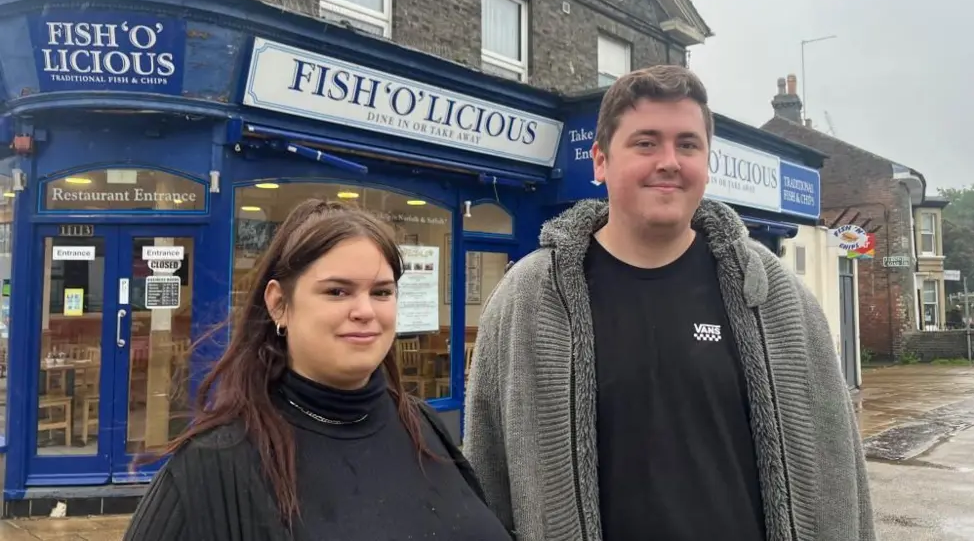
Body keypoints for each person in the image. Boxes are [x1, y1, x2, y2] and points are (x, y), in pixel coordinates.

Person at [463, 65, 875, 541]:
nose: (669, 161)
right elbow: (486, 481)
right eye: (645, 142)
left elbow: (839, 474)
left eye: (687, 144)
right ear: (600, 161)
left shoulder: (774, 296)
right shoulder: (530, 299)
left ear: (706, 160)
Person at [124, 199, 513, 541]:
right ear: (279, 304)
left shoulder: (422, 425)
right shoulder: (213, 467)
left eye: (381, 292)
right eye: (337, 291)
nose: (365, 310)